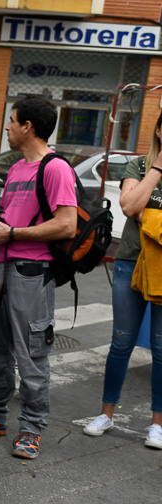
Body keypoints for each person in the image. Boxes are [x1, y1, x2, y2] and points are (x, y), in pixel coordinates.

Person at [0, 96, 77, 459]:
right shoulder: (15, 169)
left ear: (28, 127)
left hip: (31, 272)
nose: (7, 127)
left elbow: (66, 224)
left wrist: (12, 234)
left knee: (31, 355)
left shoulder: (55, 168)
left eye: (12, 121)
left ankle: (31, 428)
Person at [83, 109, 162, 448]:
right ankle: (106, 414)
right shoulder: (140, 166)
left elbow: (141, 207)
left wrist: (149, 212)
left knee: (161, 348)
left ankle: (157, 424)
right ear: (158, 131)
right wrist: (158, 170)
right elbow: (129, 206)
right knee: (121, 341)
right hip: (131, 261)